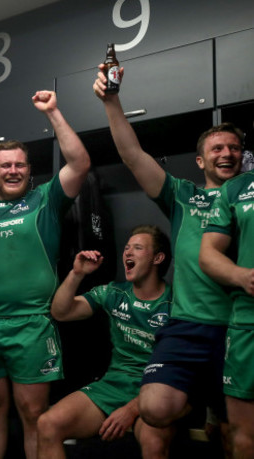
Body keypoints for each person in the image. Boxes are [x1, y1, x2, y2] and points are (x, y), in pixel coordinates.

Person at [93, 64, 244, 432]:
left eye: (234, 148)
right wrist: (112, 101)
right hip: (188, 326)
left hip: (239, 327)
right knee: (155, 408)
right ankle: (199, 396)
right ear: (200, 160)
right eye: (217, 148)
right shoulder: (183, 196)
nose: (226, 153)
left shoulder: (250, 198)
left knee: (233, 435)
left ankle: (213, 404)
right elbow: (132, 155)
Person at [0, 90, 91, 458]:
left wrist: (54, 112)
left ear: (29, 171)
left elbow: (78, 164)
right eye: (5, 165)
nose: (13, 171)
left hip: (32, 326)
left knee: (33, 414)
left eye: (20, 165)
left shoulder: (45, 200)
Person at [38, 225, 175, 458]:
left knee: (153, 442)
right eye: (127, 248)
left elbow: (180, 372)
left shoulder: (177, 303)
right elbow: (61, 311)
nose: (128, 253)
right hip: (114, 384)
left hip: (158, 390)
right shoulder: (114, 293)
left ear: (158, 258)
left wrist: (131, 410)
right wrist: (77, 273)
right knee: (47, 424)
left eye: (138, 248)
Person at [199, 169, 254, 457]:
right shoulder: (236, 188)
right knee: (243, 437)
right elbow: (208, 254)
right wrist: (243, 276)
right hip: (247, 323)